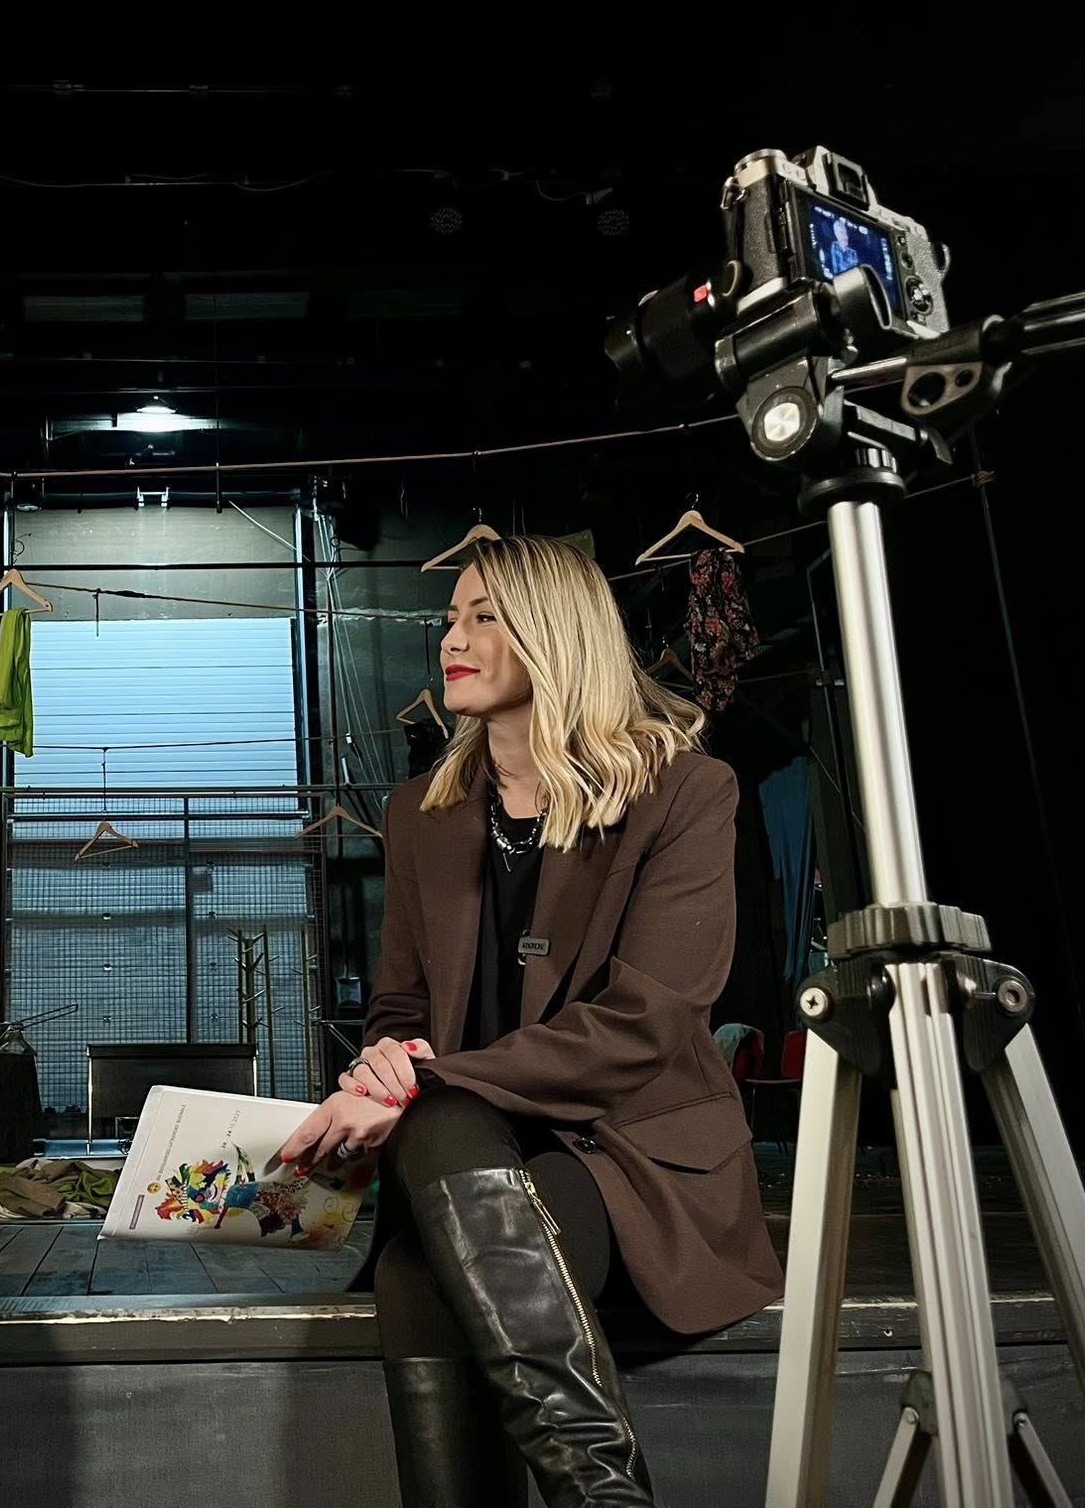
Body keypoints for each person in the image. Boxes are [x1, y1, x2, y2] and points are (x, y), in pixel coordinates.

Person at [279, 535, 781, 1508]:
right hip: (467, 1157)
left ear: (556, 634)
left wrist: (425, 1081)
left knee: (420, 1262)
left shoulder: (682, 791)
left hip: (628, 1162)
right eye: (448, 619)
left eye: (483, 618)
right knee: (429, 1189)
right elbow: (400, 1006)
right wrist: (389, 1061)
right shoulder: (420, 812)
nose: (449, 640)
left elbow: (643, 1023)